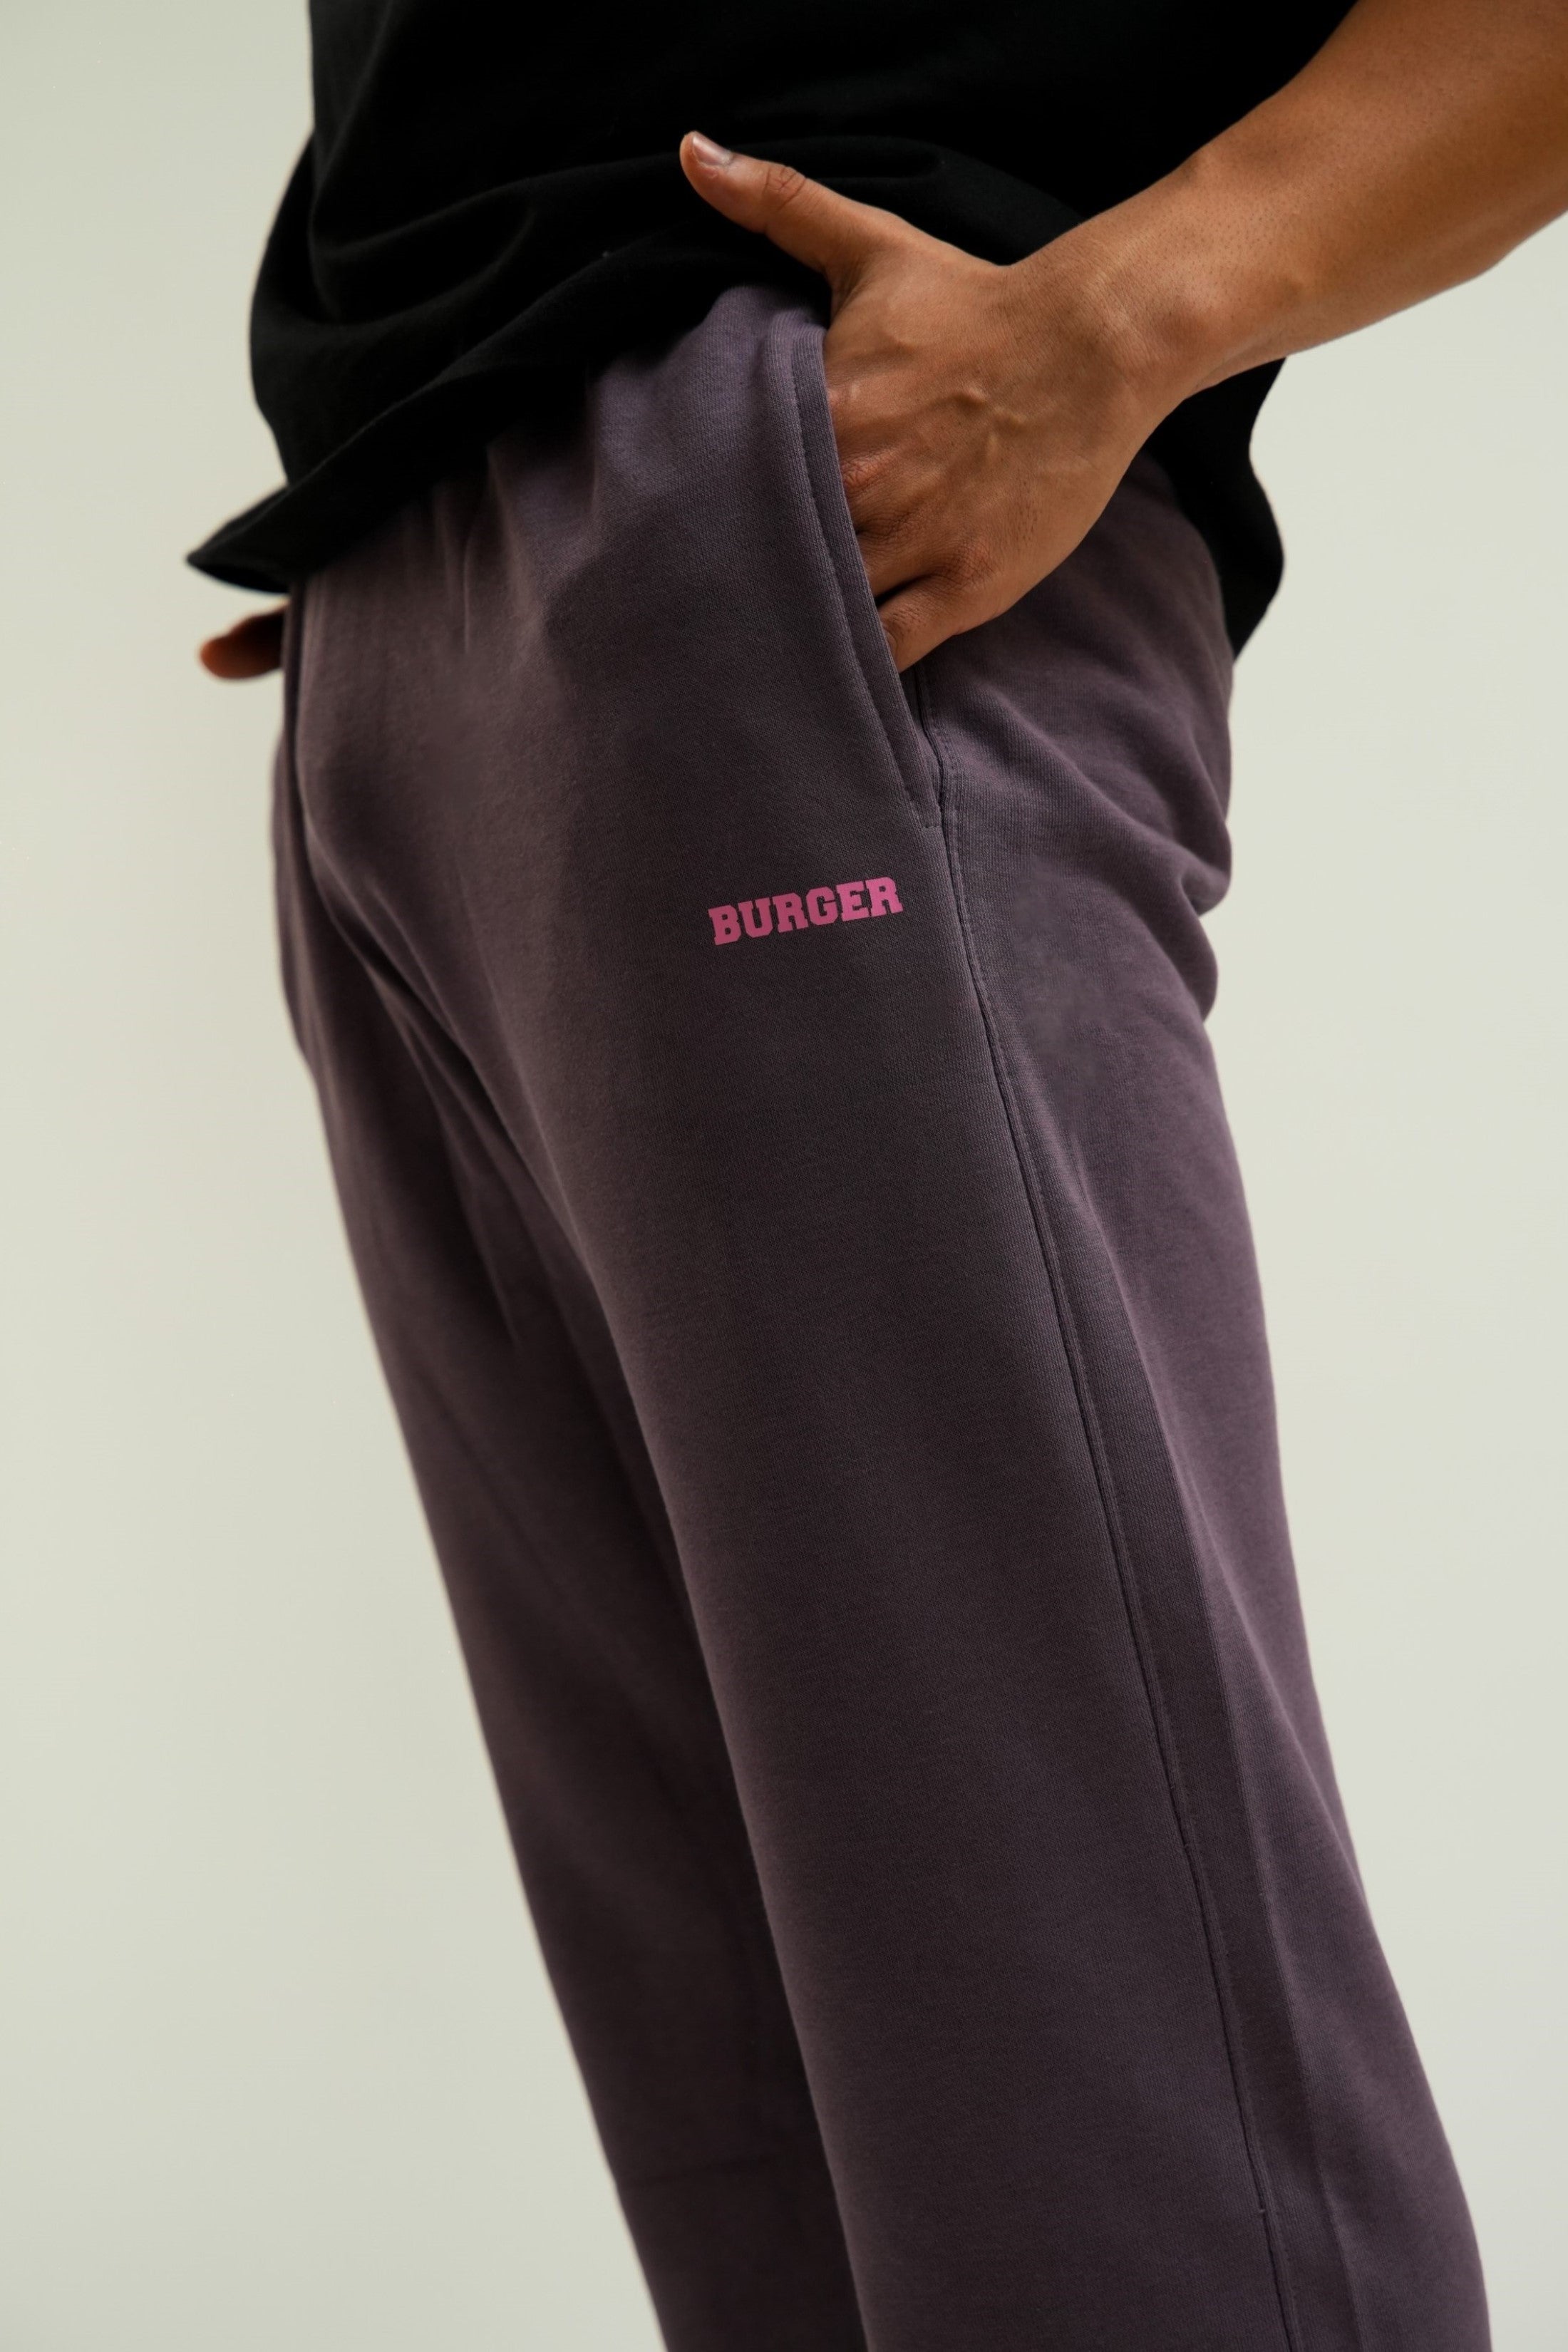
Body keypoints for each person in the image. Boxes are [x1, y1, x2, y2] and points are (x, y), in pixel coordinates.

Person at [193, 4, 1567, 2343]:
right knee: (780, 2196)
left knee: (1118, 2144)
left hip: (817, 548)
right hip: (426, 613)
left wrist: (1130, 306)